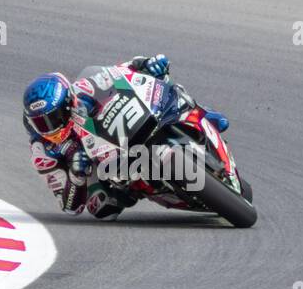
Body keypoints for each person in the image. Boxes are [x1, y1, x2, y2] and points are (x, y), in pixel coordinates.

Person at [22, 55, 228, 219]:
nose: (50, 127)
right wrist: (76, 176)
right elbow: (69, 207)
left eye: (53, 117)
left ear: (68, 103)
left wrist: (146, 64)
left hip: (118, 132)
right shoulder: (44, 153)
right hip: (99, 170)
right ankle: (142, 186)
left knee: (168, 86)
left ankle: (200, 114)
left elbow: (120, 73)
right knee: (101, 207)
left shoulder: (82, 90)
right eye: (41, 123)